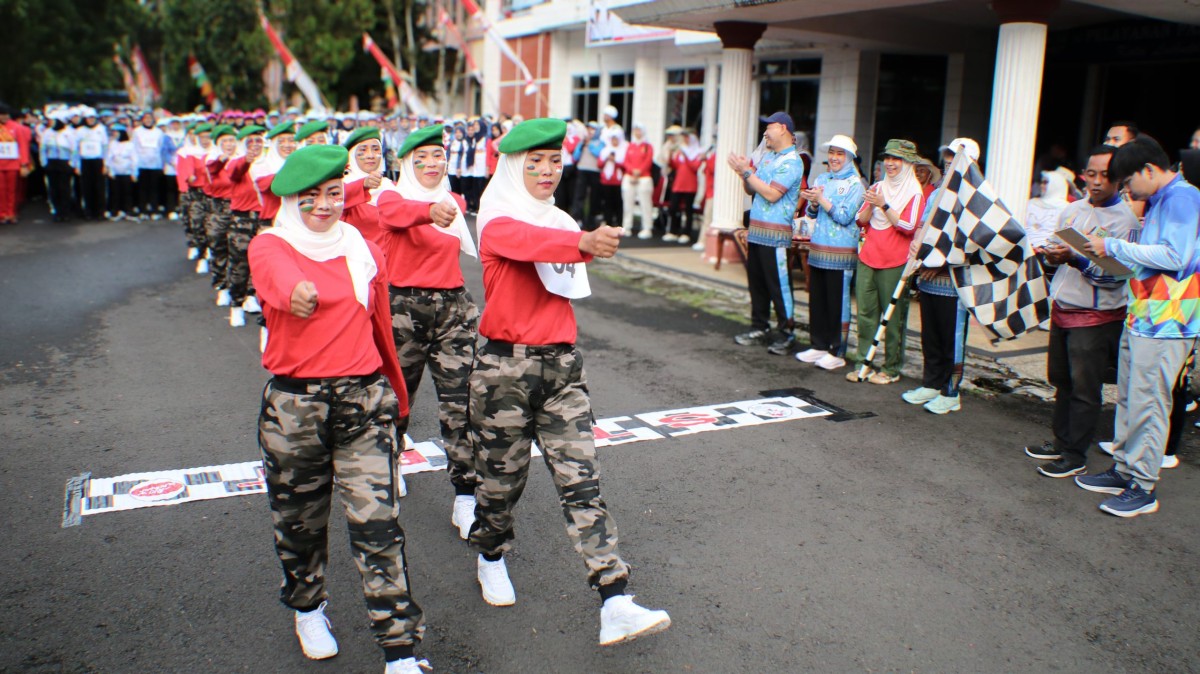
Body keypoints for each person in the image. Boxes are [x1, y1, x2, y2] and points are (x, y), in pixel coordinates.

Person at [469, 118, 671, 645]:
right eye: (534, 161)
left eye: (555, 161)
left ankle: (615, 599)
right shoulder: (497, 218)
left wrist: (576, 236)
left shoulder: (559, 218)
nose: (546, 170)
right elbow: (525, 241)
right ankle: (490, 552)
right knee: (499, 487)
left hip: (561, 370)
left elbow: (555, 245)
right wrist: (581, 240)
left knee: (583, 484)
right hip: (503, 373)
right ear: (514, 166)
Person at [247, 145, 428, 674]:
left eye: (331, 194)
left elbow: (379, 323)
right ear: (292, 199)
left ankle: (400, 651)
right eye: (311, 197)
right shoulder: (271, 244)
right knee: (300, 523)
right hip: (296, 406)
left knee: (379, 523)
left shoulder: (360, 246)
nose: (323, 206)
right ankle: (307, 608)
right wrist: (294, 293)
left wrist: (396, 395)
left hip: (364, 400)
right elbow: (278, 279)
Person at [1076, 135, 1200, 517]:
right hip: (1146, 315)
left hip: (1168, 322)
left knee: (1150, 403)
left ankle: (1143, 487)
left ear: (1148, 170)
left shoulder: (1182, 197)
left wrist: (1112, 247)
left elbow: (1174, 256)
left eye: (1129, 182)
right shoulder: (1166, 197)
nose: (1128, 191)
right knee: (1131, 398)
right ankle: (1125, 470)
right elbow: (1151, 259)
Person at [374, 123, 480, 537]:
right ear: (406, 163)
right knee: (397, 399)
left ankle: (465, 498)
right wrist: (427, 211)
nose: (432, 164)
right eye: (422, 158)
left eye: (438, 157)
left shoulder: (453, 199)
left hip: (452, 310)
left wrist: (440, 207)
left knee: (460, 406)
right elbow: (392, 216)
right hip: (403, 309)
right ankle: (391, 461)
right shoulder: (392, 196)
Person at [1021, 144, 1139, 476]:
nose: (1097, 181)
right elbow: (1058, 252)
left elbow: (1119, 274)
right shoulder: (1071, 210)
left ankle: (1075, 455)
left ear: (1119, 179)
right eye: (1091, 173)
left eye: (1106, 174)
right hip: (1064, 307)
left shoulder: (1126, 221)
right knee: (1061, 380)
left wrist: (1073, 258)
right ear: (1082, 174)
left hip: (1097, 316)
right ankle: (1060, 442)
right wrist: (1052, 254)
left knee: (1086, 389)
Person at [903, 138, 980, 414]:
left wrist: (941, 261)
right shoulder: (936, 193)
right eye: (947, 157)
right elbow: (923, 226)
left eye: (954, 157)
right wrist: (918, 252)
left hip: (954, 281)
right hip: (928, 277)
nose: (948, 162)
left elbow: (970, 241)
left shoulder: (974, 197)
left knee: (952, 336)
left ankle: (951, 391)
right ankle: (931, 383)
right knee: (931, 334)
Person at [728, 112, 807, 356]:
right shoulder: (769, 157)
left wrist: (748, 172)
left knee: (779, 285)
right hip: (758, 232)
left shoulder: (793, 161)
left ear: (783, 128)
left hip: (775, 236)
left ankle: (787, 332)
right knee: (758, 284)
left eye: (769, 128)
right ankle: (759, 327)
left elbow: (772, 194)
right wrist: (744, 172)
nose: (765, 133)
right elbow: (752, 188)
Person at [848, 139, 926, 385]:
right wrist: (873, 205)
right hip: (868, 255)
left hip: (895, 261)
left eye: (897, 159)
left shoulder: (915, 192)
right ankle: (863, 362)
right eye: (888, 158)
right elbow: (861, 220)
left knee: (893, 318)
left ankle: (891, 368)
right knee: (866, 313)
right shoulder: (878, 185)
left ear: (908, 163)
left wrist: (884, 204)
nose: (890, 163)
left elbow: (908, 226)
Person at [795, 134, 865, 371]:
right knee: (818, 298)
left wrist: (821, 199)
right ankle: (819, 344)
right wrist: (813, 203)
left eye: (839, 154)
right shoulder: (822, 177)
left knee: (838, 300)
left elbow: (845, 217)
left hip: (841, 252)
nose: (834, 158)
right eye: (832, 153)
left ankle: (837, 349)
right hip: (819, 247)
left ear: (849, 157)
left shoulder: (856, 184)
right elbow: (813, 215)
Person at [221, 124, 268, 327]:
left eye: (259, 140)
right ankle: (236, 305)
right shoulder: (235, 161)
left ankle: (252, 296)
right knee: (240, 264)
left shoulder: (268, 163)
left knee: (262, 265)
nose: (255, 145)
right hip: (243, 220)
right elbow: (234, 173)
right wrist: (246, 160)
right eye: (250, 141)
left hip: (265, 219)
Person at [341, 125, 394, 245]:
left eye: (375, 149)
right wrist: (363, 185)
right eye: (363, 150)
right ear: (352, 155)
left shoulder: (391, 186)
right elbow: (338, 198)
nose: (370, 155)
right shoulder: (343, 185)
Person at [205, 125, 239, 307]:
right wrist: (222, 159)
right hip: (219, 208)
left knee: (240, 251)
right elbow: (212, 170)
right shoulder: (212, 161)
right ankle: (222, 286)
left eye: (232, 140)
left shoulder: (242, 161)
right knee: (219, 246)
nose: (229, 144)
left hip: (238, 208)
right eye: (224, 141)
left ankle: (244, 292)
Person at [665, 131, 702, 244]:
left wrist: (686, 155)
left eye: (687, 138)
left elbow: (694, 166)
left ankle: (686, 233)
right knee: (673, 208)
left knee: (688, 210)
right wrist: (671, 156)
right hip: (678, 184)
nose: (685, 140)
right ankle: (673, 231)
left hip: (690, 185)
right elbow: (674, 165)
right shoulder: (681, 151)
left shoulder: (698, 152)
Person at [0, 103, 34, 224]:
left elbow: (23, 147)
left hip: (13, 164)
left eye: (5, 114)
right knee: (1, 190)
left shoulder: (16, 127)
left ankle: (11, 213)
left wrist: (24, 164)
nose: (4, 117)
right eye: (1, 115)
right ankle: (2, 214)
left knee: (12, 190)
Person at [73, 108, 108, 221]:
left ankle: (100, 212)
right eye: (88, 118)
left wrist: (105, 164)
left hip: (98, 161)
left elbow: (105, 147)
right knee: (86, 187)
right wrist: (77, 165)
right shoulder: (80, 131)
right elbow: (75, 150)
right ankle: (88, 211)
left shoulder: (101, 129)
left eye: (92, 118)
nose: (90, 120)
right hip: (85, 161)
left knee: (99, 187)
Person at [39, 111, 75, 222]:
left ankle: (65, 211)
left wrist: (72, 163)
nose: (50, 123)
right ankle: (57, 210)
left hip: (64, 162)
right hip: (52, 162)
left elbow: (74, 149)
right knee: (53, 188)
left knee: (65, 187)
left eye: (53, 120)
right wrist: (44, 162)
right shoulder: (47, 133)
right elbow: (42, 148)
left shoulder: (68, 132)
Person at [620, 123, 654, 239]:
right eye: (635, 130)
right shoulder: (631, 146)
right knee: (628, 203)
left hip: (643, 177)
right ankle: (627, 226)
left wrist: (639, 171)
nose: (637, 132)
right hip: (630, 176)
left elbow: (648, 161)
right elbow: (626, 161)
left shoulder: (647, 146)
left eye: (639, 130)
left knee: (645, 203)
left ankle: (647, 227)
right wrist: (632, 170)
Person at [131, 111, 166, 219]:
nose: (148, 120)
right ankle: (143, 210)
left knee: (154, 188)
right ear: (142, 120)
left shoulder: (158, 132)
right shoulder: (137, 131)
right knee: (142, 188)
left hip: (155, 164)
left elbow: (161, 147)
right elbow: (134, 147)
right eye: (146, 118)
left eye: (150, 118)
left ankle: (154, 210)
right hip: (141, 163)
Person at [1024, 170, 1070, 249]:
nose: (1042, 185)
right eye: (1042, 182)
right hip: (1026, 247)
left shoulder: (1067, 208)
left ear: (1056, 184)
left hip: (1050, 251)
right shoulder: (1031, 203)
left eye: (1045, 183)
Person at [104, 124, 138, 220]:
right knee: (115, 192)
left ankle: (128, 210)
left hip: (126, 172)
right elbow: (109, 158)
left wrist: (134, 173)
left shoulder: (130, 144)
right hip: (115, 172)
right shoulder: (112, 144)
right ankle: (116, 211)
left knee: (127, 192)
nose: (114, 134)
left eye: (116, 132)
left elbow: (134, 159)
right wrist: (110, 170)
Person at [597, 129, 625, 229]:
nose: (614, 141)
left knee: (618, 202)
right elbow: (599, 164)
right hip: (606, 180)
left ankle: (619, 222)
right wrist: (607, 159)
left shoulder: (623, 150)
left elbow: (625, 165)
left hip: (618, 181)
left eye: (616, 139)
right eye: (612, 139)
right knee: (607, 202)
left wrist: (615, 161)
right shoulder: (605, 150)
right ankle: (608, 221)